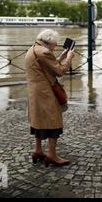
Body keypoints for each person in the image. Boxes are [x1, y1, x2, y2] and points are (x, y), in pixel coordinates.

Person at [25, 29, 75, 167]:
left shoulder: (34, 48)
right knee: (53, 121)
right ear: (49, 41)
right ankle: (52, 155)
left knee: (38, 120)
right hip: (45, 93)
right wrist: (69, 57)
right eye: (55, 44)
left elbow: (48, 66)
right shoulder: (45, 52)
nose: (55, 46)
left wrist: (62, 56)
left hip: (35, 92)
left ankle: (38, 151)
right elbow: (59, 71)